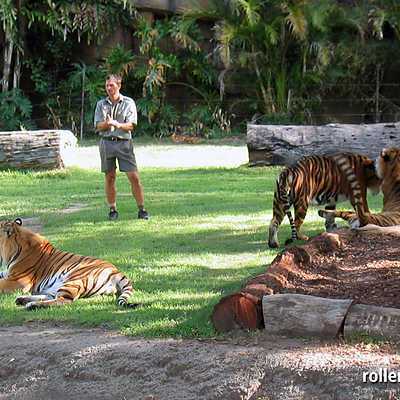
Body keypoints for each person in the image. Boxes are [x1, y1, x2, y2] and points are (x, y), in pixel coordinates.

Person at [94, 74, 149, 221]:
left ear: (119, 85)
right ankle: (112, 209)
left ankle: (142, 209)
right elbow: (98, 126)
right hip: (106, 143)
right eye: (107, 86)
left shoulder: (128, 103)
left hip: (124, 143)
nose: (108, 88)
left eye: (111, 85)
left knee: (134, 177)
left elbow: (131, 125)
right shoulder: (101, 104)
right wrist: (107, 124)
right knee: (110, 177)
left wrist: (117, 124)